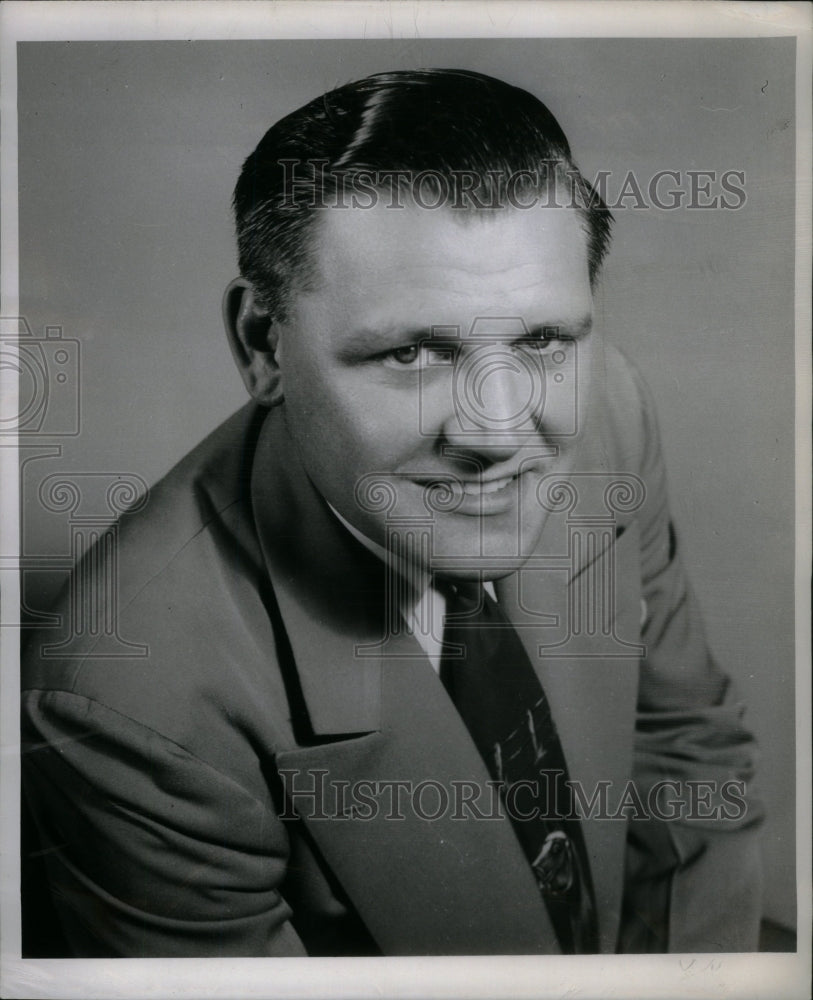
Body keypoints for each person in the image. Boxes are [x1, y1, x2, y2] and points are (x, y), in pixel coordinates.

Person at [21, 68, 763, 958]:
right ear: (263, 345)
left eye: (540, 340)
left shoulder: (609, 410)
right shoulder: (128, 698)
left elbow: (685, 757)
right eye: (413, 351)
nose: (498, 431)